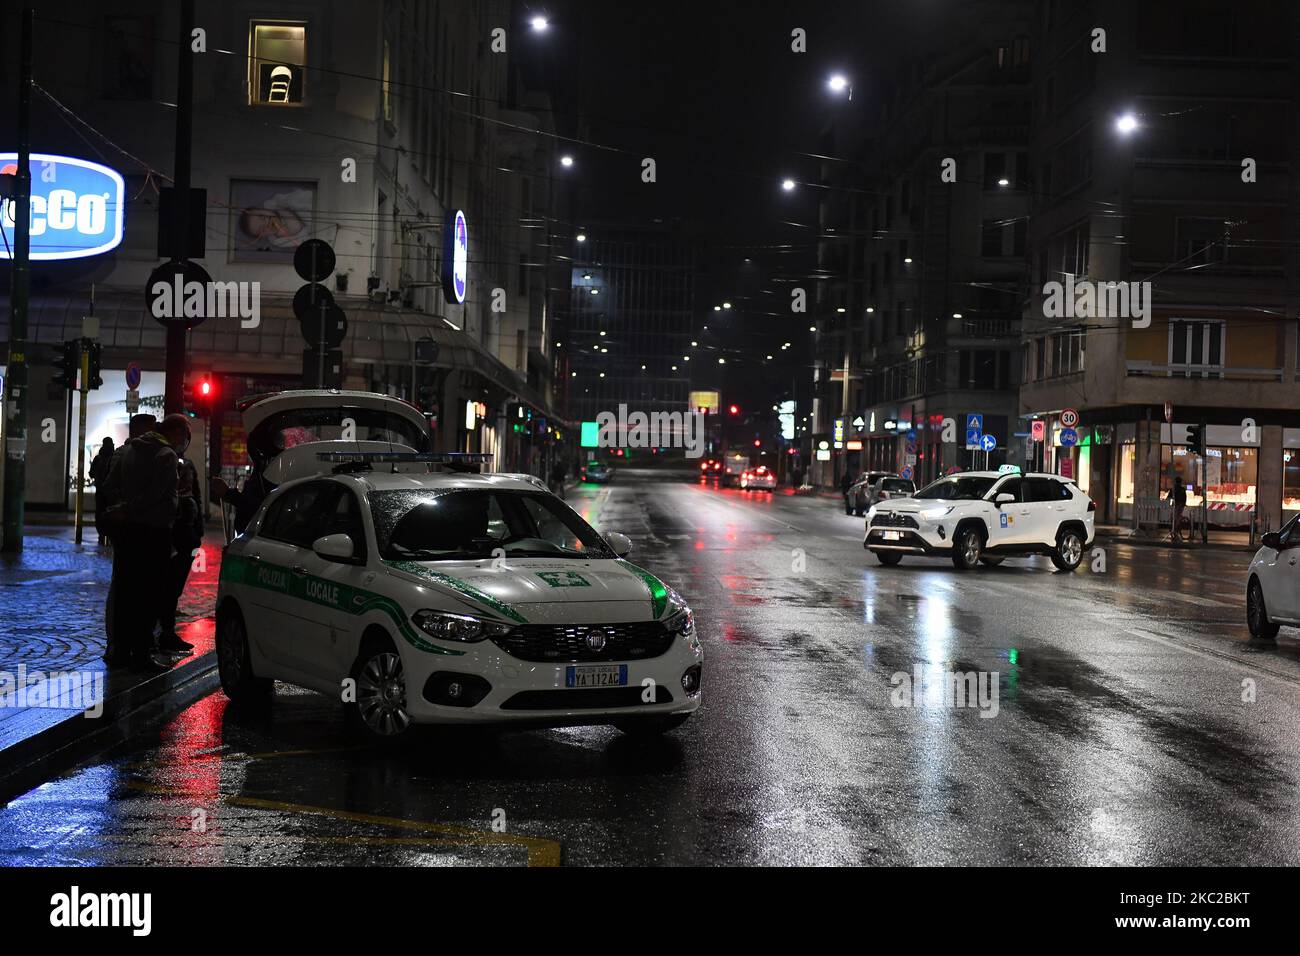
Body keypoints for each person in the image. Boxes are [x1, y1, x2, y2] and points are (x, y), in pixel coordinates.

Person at [108, 413, 189, 672]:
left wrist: (123, 509)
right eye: (183, 435)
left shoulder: (131, 449)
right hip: (154, 532)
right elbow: (156, 495)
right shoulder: (165, 456)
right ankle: (142, 653)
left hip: (129, 531)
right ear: (174, 432)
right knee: (149, 595)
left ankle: (121, 650)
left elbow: (112, 484)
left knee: (126, 592)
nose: (183, 441)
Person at [99, 414, 156, 664]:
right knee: (122, 587)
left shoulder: (146, 455)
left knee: (132, 587)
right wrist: (124, 507)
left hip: (138, 527)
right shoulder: (125, 454)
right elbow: (110, 488)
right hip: (129, 528)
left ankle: (126, 644)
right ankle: (117, 644)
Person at [158, 458, 202, 656]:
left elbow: (196, 498)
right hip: (177, 541)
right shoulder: (168, 463)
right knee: (167, 591)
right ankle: (164, 633)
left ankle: (166, 632)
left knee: (172, 591)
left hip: (187, 541)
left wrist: (197, 535)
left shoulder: (187, 466)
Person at [89, 437, 115, 545]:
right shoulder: (114, 456)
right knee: (110, 512)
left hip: (100, 490)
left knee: (99, 512)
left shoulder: (98, 458)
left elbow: (91, 473)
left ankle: (101, 534)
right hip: (111, 491)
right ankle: (109, 535)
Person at [1170, 478, 1188, 542]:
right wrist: (1183, 504)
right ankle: (1176, 531)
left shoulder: (1173, 489)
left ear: (1175, 482)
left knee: (1174, 518)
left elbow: (1169, 497)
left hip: (1175, 505)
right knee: (1178, 518)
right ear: (1180, 482)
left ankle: (1174, 531)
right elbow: (1185, 498)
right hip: (1180, 506)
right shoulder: (1182, 489)